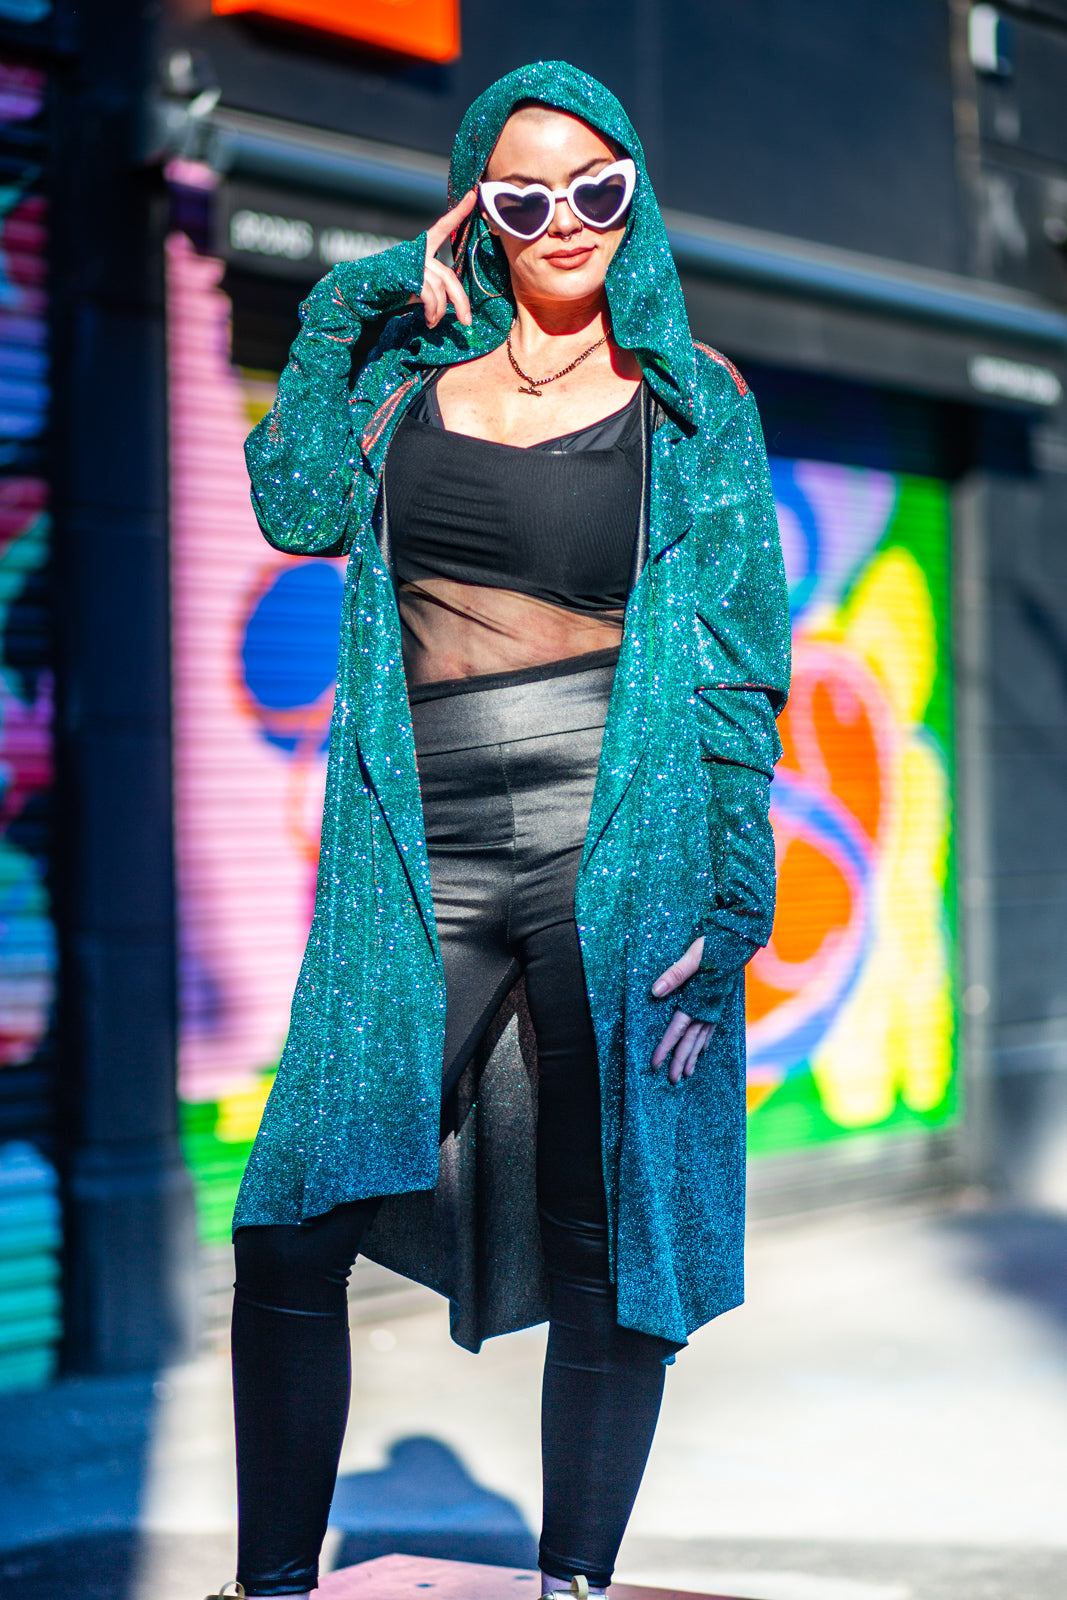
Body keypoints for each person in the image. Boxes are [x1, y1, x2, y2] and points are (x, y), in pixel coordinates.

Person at [215, 60, 790, 1600]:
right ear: (480, 204)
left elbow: (740, 669)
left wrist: (734, 908)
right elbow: (291, 502)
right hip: (420, 846)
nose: (565, 221)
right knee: (287, 1220)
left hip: (625, 847)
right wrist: (350, 304)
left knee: (615, 1230)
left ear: (635, 197)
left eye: (597, 187)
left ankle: (571, 1581)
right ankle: (274, 1585)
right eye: (526, 194)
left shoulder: (694, 404)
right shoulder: (407, 382)